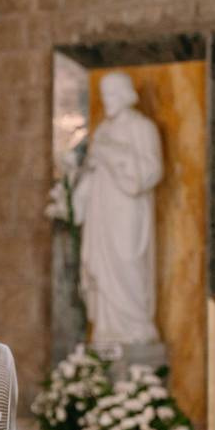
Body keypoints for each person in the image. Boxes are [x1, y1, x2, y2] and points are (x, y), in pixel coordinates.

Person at [73, 71, 163, 345]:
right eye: (104, 95)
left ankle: (135, 327)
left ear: (126, 95)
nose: (107, 100)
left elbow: (152, 170)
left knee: (128, 265)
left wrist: (115, 156)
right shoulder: (103, 130)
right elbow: (91, 167)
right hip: (101, 211)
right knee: (103, 266)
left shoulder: (142, 127)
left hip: (127, 210)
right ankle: (108, 330)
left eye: (112, 94)